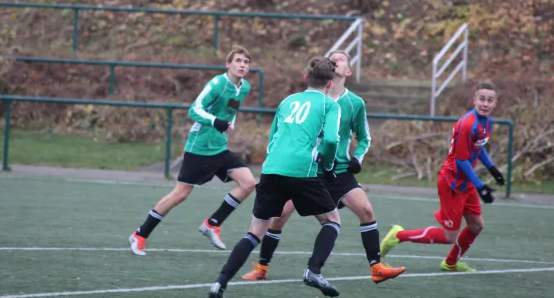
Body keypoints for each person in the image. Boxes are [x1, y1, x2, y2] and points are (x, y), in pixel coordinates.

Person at [240, 50, 406, 284]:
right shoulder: (313, 99)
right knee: (278, 218)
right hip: (307, 171)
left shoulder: (354, 103)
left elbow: (365, 138)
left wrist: (357, 158)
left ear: (347, 71)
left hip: (338, 171)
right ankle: (261, 267)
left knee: (366, 211)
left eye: (341, 58)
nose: (335, 59)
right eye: (332, 57)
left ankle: (376, 267)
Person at [209, 57, 343, 298]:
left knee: (254, 232)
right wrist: (329, 164)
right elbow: (332, 140)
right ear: (330, 83)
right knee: (332, 220)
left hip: (271, 169)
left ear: (306, 78)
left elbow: (273, 138)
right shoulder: (330, 105)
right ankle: (313, 270)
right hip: (302, 171)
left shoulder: (288, 101)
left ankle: (220, 282)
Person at [129, 45, 257, 255]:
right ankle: (140, 235)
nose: (242, 65)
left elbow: (232, 108)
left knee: (248, 183)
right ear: (228, 64)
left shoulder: (244, 87)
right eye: (238, 61)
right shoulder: (217, 84)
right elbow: (194, 109)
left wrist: (229, 123)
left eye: (246, 62)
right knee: (180, 194)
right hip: (199, 148)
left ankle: (212, 224)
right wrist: (216, 121)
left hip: (219, 148)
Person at [380, 81, 505, 272]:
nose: (485, 103)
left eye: (490, 100)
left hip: (466, 182)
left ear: (495, 103)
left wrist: (492, 169)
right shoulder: (467, 124)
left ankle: (450, 263)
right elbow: (462, 160)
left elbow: (478, 148)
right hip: (452, 182)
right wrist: (480, 185)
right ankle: (399, 235)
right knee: (449, 237)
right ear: (474, 100)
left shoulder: (487, 122)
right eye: (482, 99)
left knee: (476, 226)